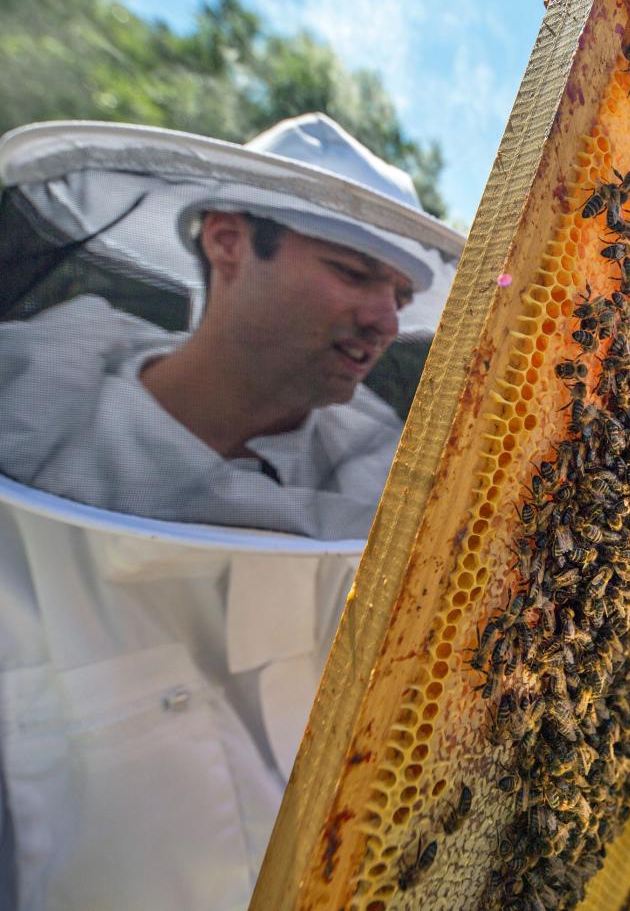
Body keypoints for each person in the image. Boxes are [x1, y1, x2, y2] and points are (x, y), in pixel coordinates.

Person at [0, 114, 463, 909]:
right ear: (228, 242)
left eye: (400, 294)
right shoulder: (36, 418)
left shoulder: (378, 474)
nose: (388, 322)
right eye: (354, 272)